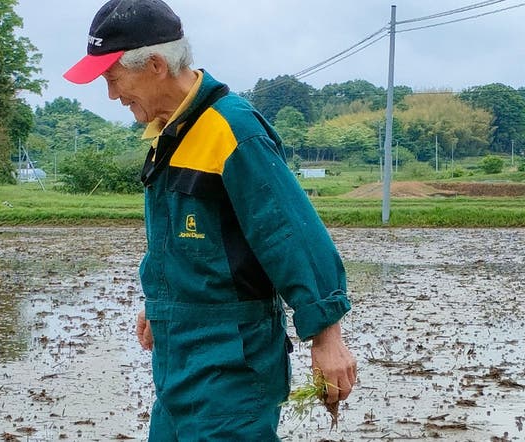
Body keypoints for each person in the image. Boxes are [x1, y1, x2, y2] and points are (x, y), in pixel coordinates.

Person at [64, 0, 357, 440]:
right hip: (178, 360)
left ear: (156, 65)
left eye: (113, 78)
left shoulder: (231, 129)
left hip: (230, 362)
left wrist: (327, 336)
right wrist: (161, 301)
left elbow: (290, 233)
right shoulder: (170, 133)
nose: (112, 95)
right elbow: (193, 241)